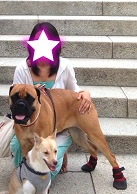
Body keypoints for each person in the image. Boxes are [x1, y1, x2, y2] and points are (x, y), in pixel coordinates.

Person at [10, 22, 92, 180]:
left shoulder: (65, 66)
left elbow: (73, 92)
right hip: (28, 125)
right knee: (17, 149)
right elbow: (15, 97)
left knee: (48, 171)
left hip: (58, 128)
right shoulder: (22, 68)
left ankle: (60, 153)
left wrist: (85, 93)